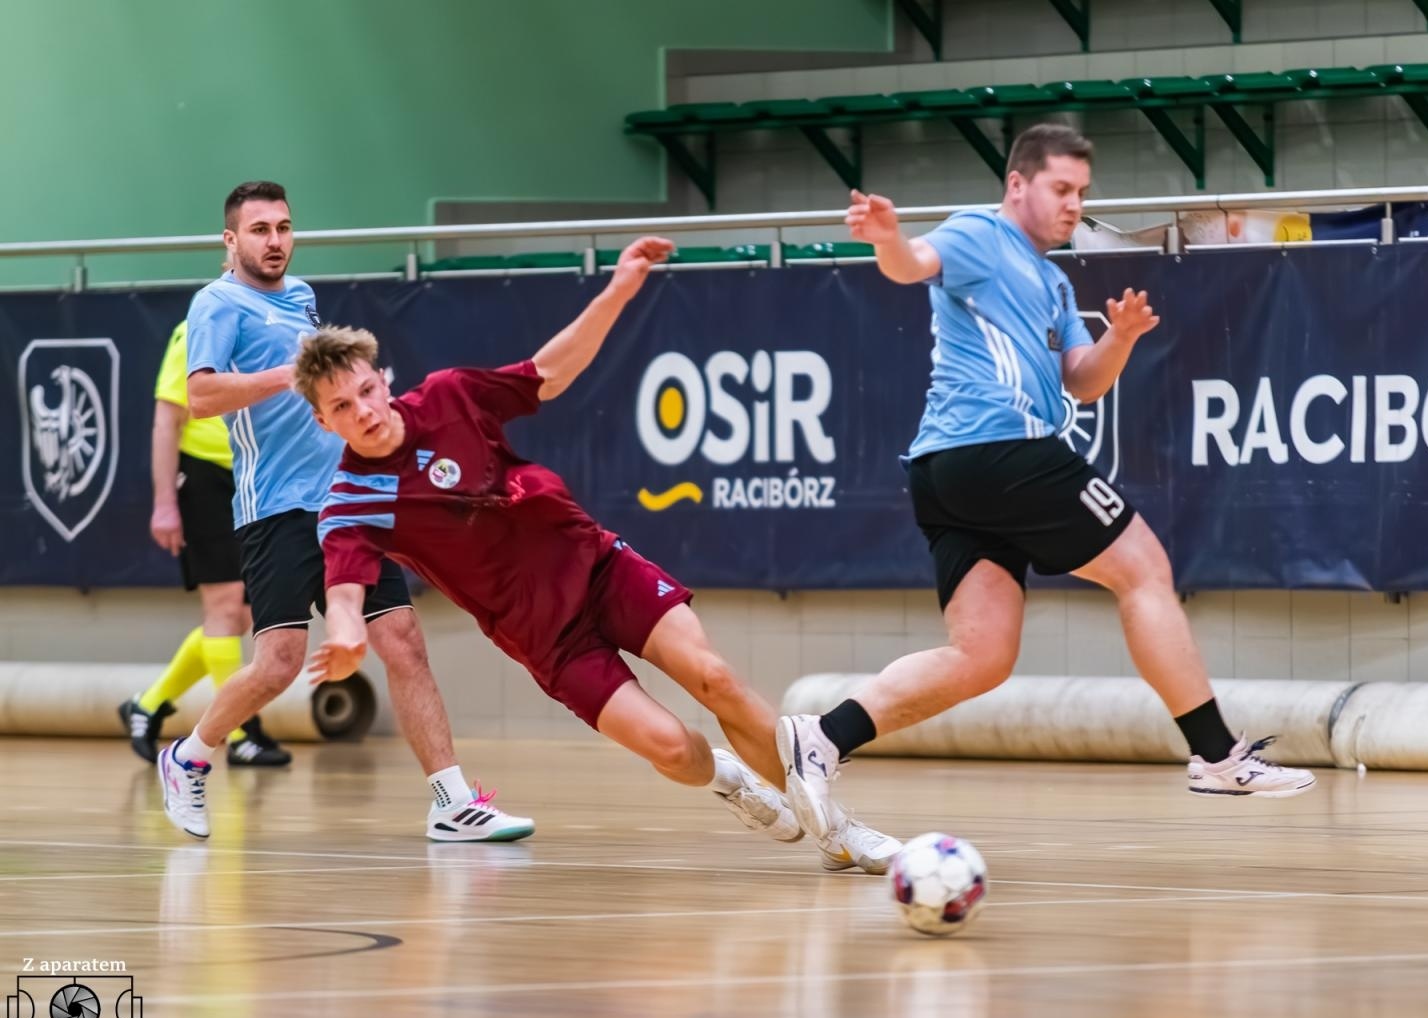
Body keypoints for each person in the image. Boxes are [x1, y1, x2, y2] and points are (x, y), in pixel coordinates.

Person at [292, 236, 899, 873]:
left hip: (600, 566)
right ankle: (729, 779)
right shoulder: (352, 502)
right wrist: (346, 638)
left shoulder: (449, 397)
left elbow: (547, 373)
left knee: (715, 679)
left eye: (365, 390)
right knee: (669, 747)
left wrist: (619, 290)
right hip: (548, 640)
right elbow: (344, 590)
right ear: (322, 422)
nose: (361, 411)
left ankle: (843, 834)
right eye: (340, 406)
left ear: (382, 380)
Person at [777, 124, 1316, 841]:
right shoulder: (977, 234)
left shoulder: (1055, 281)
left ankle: (822, 736)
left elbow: (1083, 383)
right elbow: (913, 264)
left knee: (983, 656)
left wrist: (1119, 339)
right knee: (1145, 569)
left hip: (946, 474)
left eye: (1082, 193)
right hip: (1001, 450)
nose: (1073, 205)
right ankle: (1216, 753)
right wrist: (885, 238)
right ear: (1018, 185)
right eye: (1061, 189)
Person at [156, 180, 532, 845]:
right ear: (231, 240)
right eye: (260, 229)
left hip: (345, 502)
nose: (275, 240)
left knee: (404, 641)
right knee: (277, 662)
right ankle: (188, 756)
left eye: (283, 227)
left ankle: (451, 800)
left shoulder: (301, 297)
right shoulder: (216, 303)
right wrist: (287, 375)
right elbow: (202, 395)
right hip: (276, 509)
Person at [119, 317, 288, 767]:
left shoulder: (273, 326)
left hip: (254, 478)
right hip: (205, 477)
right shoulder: (194, 329)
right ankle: (238, 735)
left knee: (243, 615)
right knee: (225, 608)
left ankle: (149, 703)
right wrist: (165, 502)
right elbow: (166, 421)